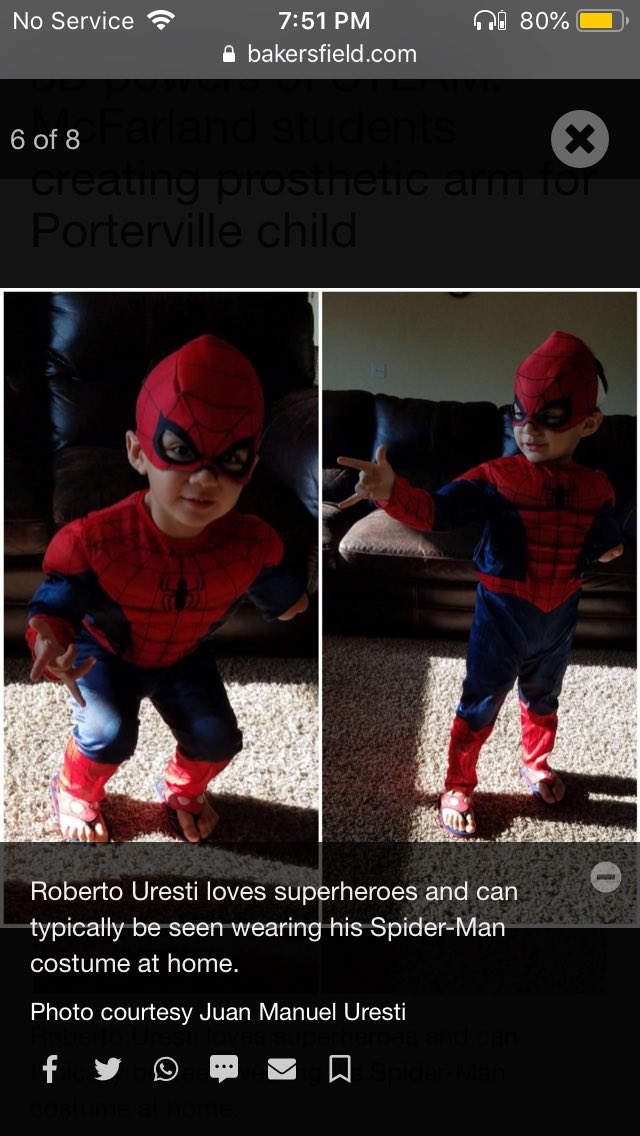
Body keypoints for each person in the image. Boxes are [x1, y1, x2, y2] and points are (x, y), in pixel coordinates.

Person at [337, 330, 623, 838]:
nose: (529, 429)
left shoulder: (597, 487)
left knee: (544, 697)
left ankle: (535, 762)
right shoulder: (496, 476)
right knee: (481, 699)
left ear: (589, 422)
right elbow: (438, 512)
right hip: (502, 616)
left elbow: (602, 538)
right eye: (521, 413)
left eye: (550, 417)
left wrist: (606, 547)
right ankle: (458, 784)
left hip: (559, 617)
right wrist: (391, 491)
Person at [27, 334, 309, 844]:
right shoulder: (97, 540)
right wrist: (47, 636)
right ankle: (75, 788)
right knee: (108, 735)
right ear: (138, 452)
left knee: (217, 738)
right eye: (181, 451)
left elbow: (286, 598)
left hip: (183, 653)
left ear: (250, 468)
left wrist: (296, 598)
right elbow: (56, 603)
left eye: (230, 459)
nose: (204, 478)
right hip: (105, 651)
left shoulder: (251, 544)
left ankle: (181, 789)